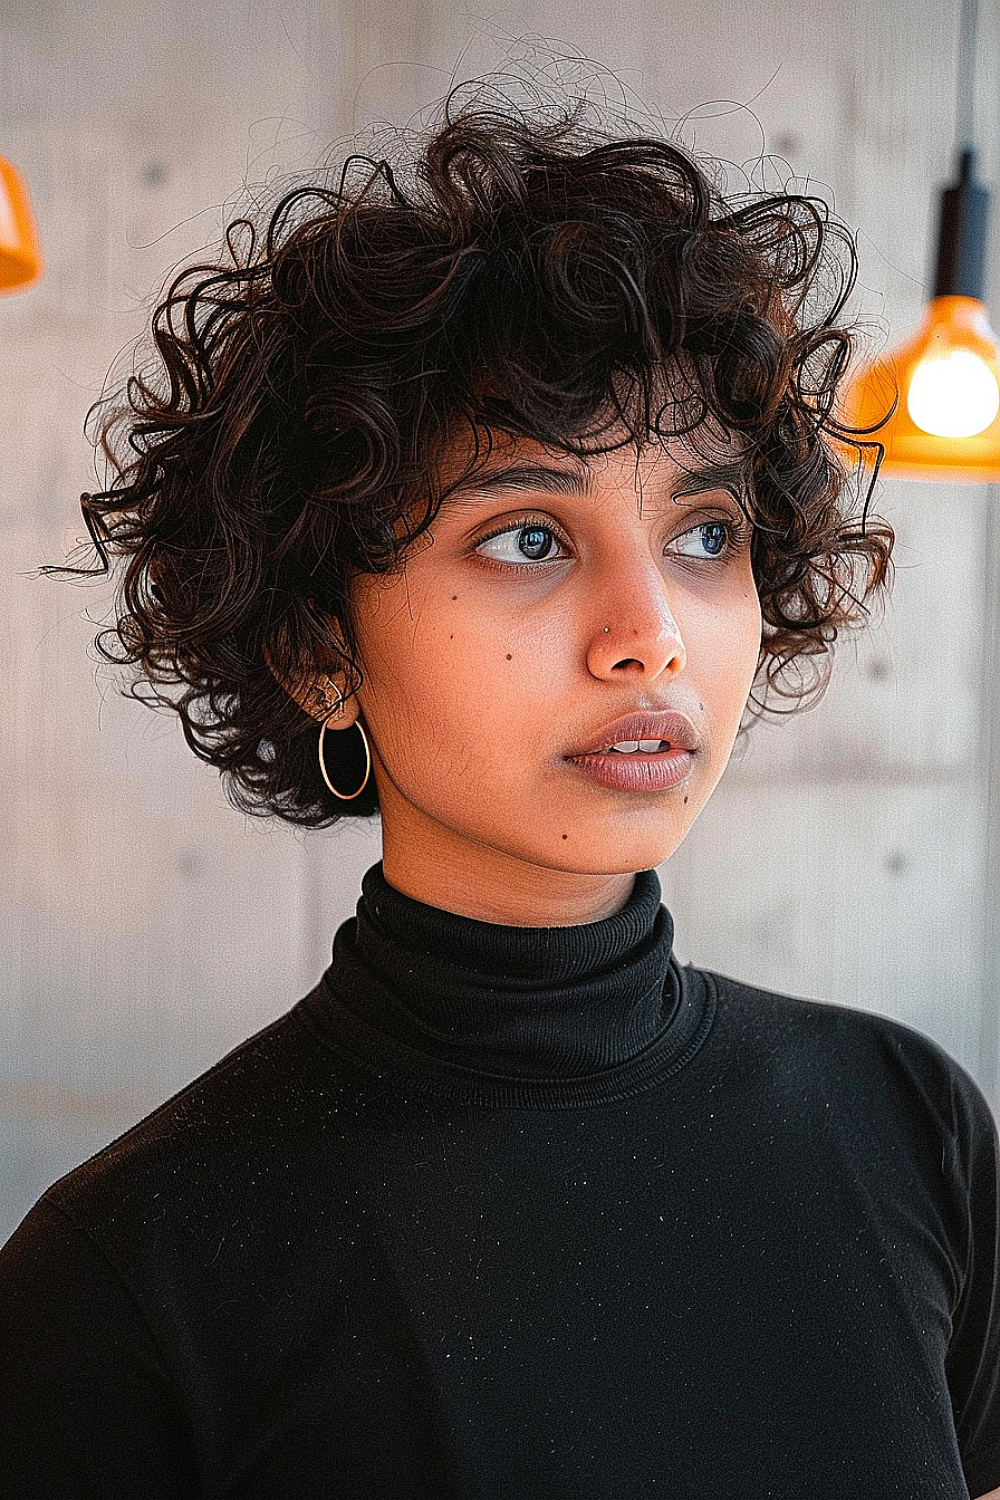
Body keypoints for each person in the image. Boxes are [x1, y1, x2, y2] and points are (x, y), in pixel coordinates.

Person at [1, 84, 998, 1499]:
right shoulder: (129, 1282)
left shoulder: (913, 1128)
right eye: (531, 533)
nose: (649, 629)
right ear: (314, 646)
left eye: (705, 531)